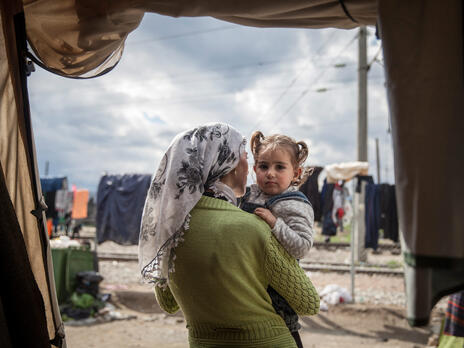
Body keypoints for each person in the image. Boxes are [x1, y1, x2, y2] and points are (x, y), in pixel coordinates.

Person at [139, 123, 319, 348]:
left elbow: (168, 303)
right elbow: (309, 304)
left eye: (279, 167)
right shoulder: (252, 227)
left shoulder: (170, 230)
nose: (266, 172)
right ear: (229, 165)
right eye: (245, 157)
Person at [239, 131, 315, 348]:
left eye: (279, 167)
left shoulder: (294, 203)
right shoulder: (248, 195)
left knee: (283, 333)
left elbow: (301, 247)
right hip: (250, 283)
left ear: (295, 172)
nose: (270, 173)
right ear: (254, 170)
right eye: (263, 166)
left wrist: (275, 223)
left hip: (277, 290)